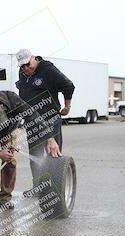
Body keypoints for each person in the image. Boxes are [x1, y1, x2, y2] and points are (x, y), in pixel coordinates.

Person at [0, 91, 61, 210]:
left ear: (4, 108)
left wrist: (49, 138)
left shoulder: (13, 101)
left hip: (10, 129)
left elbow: (33, 117)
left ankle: (5, 198)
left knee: (10, 161)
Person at [15, 49, 75, 194]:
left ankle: (54, 190)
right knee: (35, 156)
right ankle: (38, 188)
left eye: (27, 64)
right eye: (22, 66)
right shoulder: (23, 74)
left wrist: (67, 106)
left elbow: (68, 85)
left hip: (49, 119)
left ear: (33, 58)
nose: (25, 68)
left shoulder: (48, 70)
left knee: (52, 155)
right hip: (31, 121)